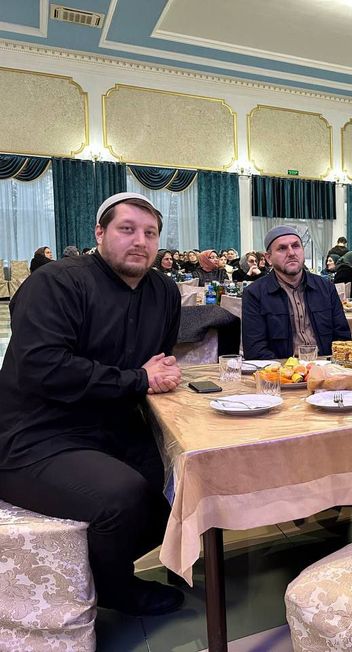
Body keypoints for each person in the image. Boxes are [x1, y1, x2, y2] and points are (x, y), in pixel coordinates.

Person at [0, 192, 184, 616]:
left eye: (150, 233)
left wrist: (153, 375)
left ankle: (90, 570)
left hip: (113, 426)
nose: (140, 241)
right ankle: (116, 590)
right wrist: (138, 378)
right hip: (37, 435)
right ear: (99, 233)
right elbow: (44, 368)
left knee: (179, 491)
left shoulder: (164, 292)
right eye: (127, 229)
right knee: (122, 496)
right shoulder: (57, 283)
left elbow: (157, 361)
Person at [242, 225, 350, 359]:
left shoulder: (326, 288)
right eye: (282, 248)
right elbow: (255, 350)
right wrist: (290, 368)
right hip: (280, 369)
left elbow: (343, 339)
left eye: (296, 246)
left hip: (326, 366)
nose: (291, 253)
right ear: (268, 258)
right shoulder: (255, 294)